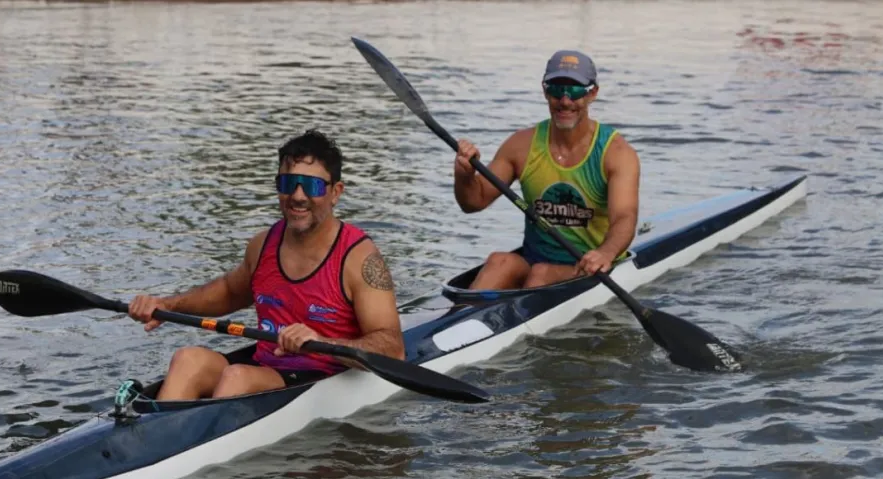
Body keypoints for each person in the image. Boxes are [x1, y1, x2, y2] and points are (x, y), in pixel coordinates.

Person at [128, 129, 406, 401]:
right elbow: (230, 292)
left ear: (336, 192)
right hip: (267, 367)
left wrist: (322, 342)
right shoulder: (262, 245)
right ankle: (157, 427)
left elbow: (393, 349)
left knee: (237, 377)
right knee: (188, 359)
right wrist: (167, 305)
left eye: (312, 186)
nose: (298, 196)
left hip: (320, 373)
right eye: (288, 184)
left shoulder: (359, 258)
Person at [453, 49, 641, 290]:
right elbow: (473, 202)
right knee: (499, 262)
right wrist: (464, 176)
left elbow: (624, 218)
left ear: (592, 93)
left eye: (575, 91)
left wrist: (606, 252)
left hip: (587, 266)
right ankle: (464, 312)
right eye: (556, 89)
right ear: (545, 91)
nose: (565, 101)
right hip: (535, 260)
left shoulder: (616, 153)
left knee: (541, 274)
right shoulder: (521, 146)